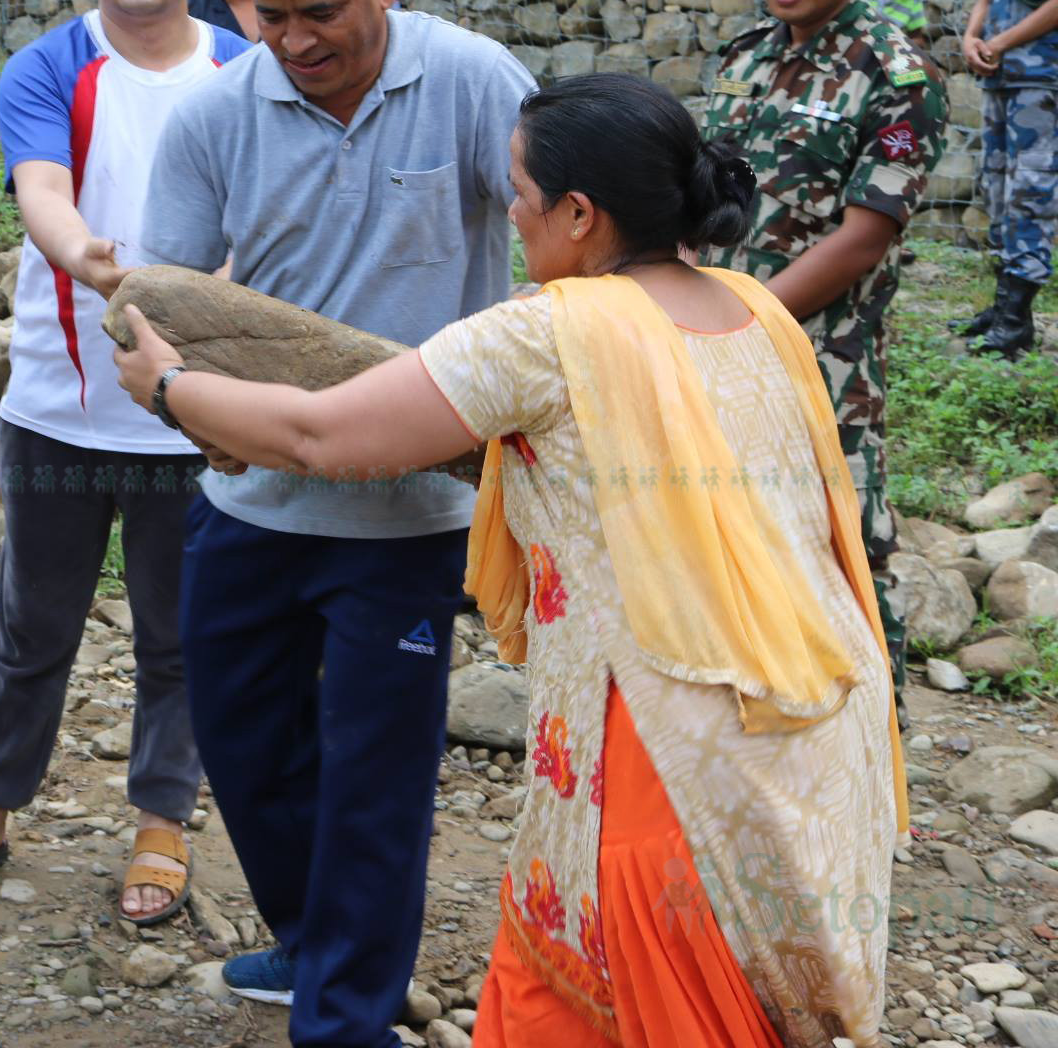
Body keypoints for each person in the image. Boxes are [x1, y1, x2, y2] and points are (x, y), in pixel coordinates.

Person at [113, 71, 907, 1048]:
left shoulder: (548, 329)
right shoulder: (754, 307)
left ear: (579, 213)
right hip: (812, 709)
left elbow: (323, 437)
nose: (511, 218)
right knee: (656, 993)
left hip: (664, 744)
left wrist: (171, 385)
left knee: (651, 1001)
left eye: (519, 197)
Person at [137, 0, 535, 1041]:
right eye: (273, 14)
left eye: (324, 11)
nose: (299, 40)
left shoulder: (470, 83)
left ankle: (346, 1016)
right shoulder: (216, 114)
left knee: (375, 779)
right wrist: (164, 379)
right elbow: (159, 300)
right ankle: (319, 946)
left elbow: (563, 233)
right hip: (251, 492)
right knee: (245, 744)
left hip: (408, 512)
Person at [0, 0, 249, 927]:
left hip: (192, 407)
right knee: (31, 621)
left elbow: (267, 221)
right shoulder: (50, 66)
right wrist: (93, 262)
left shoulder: (246, 70)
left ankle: (160, 819)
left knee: (177, 633)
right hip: (58, 403)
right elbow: (43, 192)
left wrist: (208, 309)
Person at [704, 0, 947, 729]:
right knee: (720, 518)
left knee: (842, 538)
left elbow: (865, 233)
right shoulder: (742, 58)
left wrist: (743, 324)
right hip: (711, 339)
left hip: (823, 357)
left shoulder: (900, 74)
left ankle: (874, 731)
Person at [958, 0, 1058, 358]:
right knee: (997, 187)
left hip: (1041, 81)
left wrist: (998, 40)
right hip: (1000, 75)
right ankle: (1001, 305)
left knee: (1030, 192)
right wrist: (974, 35)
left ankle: (1017, 321)